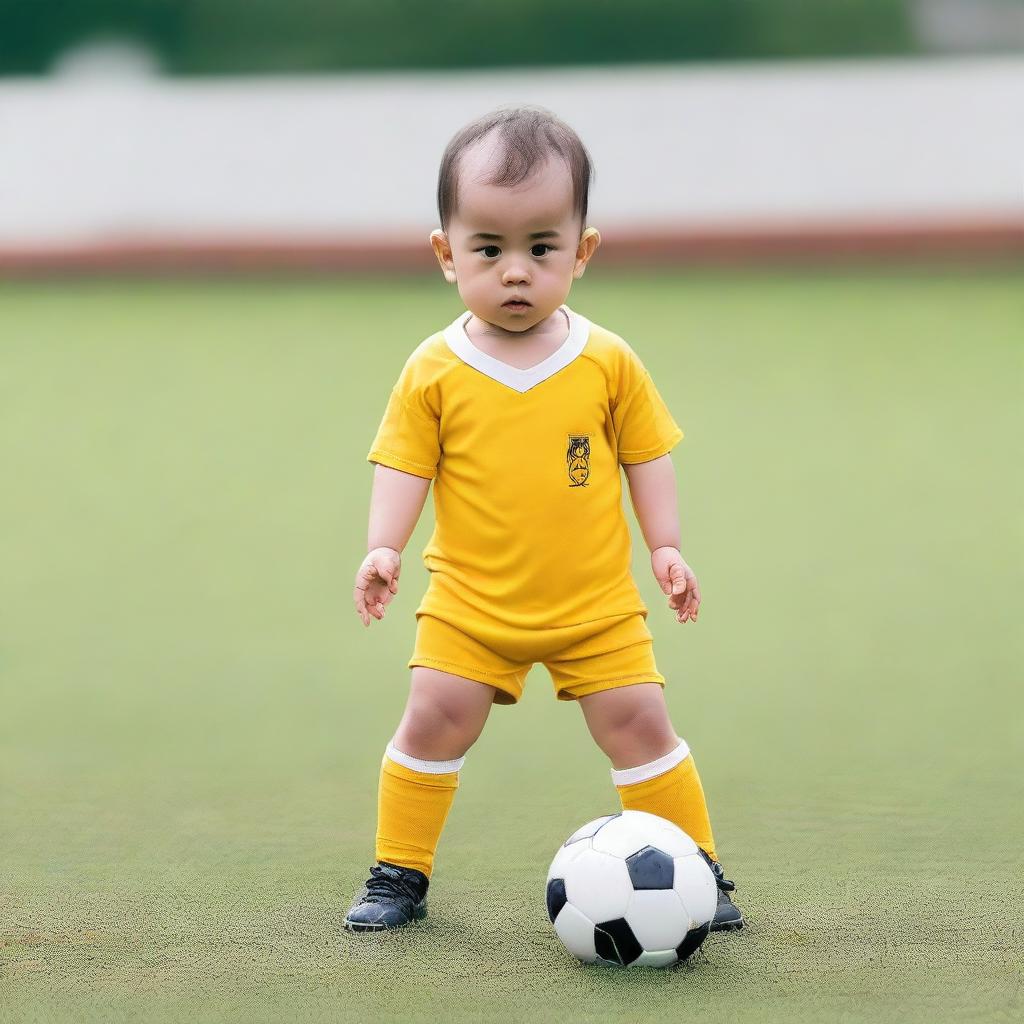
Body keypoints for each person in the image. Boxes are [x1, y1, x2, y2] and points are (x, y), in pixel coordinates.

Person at [345, 106, 743, 934]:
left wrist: (666, 547)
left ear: (582, 252)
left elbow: (646, 456)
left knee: (640, 723)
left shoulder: (607, 359)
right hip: (470, 606)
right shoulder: (434, 368)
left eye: (541, 248)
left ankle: (698, 868)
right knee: (431, 716)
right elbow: (405, 463)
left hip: (595, 605)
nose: (516, 272)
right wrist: (384, 547)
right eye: (488, 249)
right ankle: (397, 872)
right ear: (446, 254)